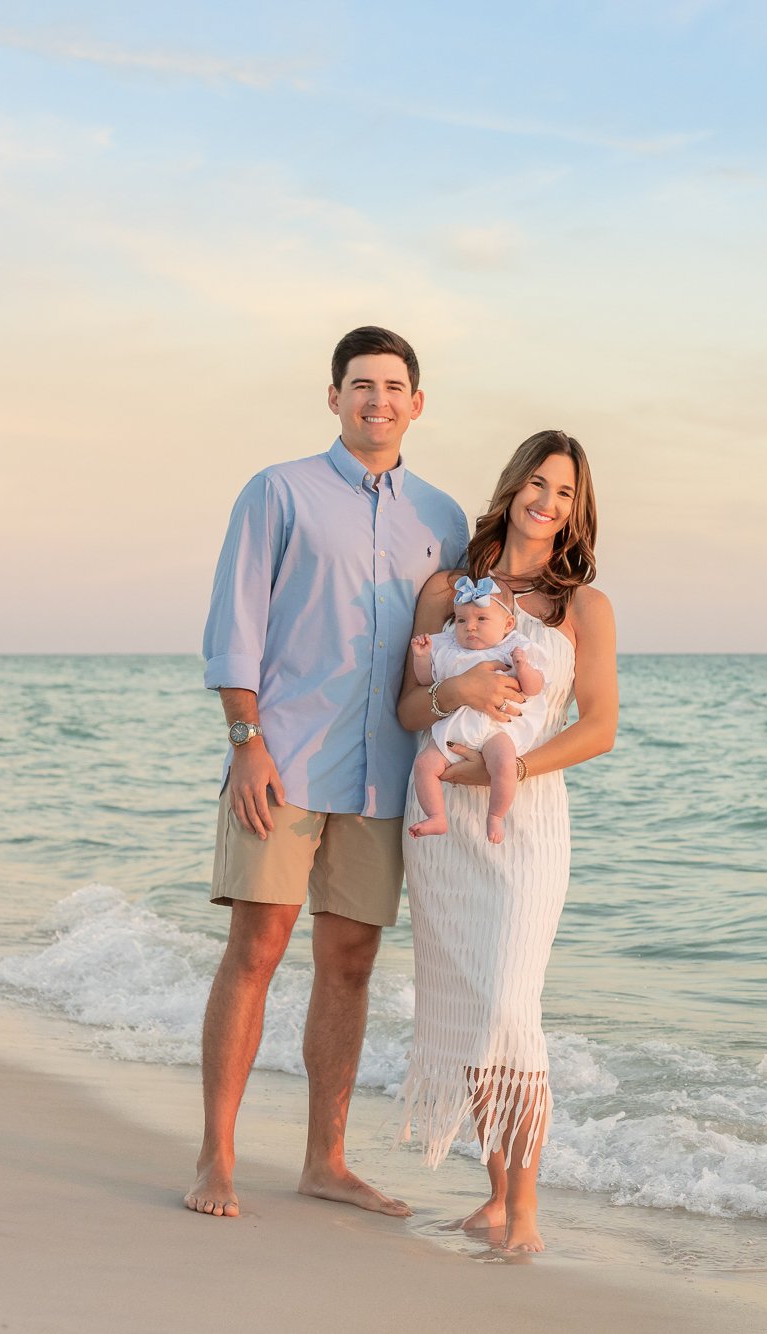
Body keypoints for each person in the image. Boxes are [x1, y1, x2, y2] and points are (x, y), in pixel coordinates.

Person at [185, 326, 469, 1220]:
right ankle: (216, 1160)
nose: (376, 399)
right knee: (256, 952)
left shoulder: (444, 518)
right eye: (360, 384)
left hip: (386, 774)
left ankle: (325, 1162)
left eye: (393, 386)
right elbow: (235, 624)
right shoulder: (279, 493)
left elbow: (452, 644)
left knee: (348, 963)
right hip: (286, 761)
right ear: (335, 397)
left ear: (416, 404)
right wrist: (246, 742)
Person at [395, 429, 618, 1254]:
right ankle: (494, 1197)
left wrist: (511, 767)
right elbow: (407, 710)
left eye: (563, 492)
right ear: (513, 486)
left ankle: (526, 1212)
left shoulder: (582, 607)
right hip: (444, 827)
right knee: (468, 1002)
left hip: (525, 820)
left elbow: (600, 727)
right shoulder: (448, 589)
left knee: (508, 1003)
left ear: (575, 510)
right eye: (537, 482)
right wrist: (450, 688)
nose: (546, 501)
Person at [407, 575, 549, 843]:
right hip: (455, 729)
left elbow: (534, 687)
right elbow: (427, 682)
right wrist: (422, 657)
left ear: (507, 624)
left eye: (481, 619)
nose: (470, 627)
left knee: (505, 763)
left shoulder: (514, 648)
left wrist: (523, 668)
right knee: (425, 764)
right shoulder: (449, 648)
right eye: (461, 620)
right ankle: (436, 816)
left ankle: (495, 815)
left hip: (496, 728)